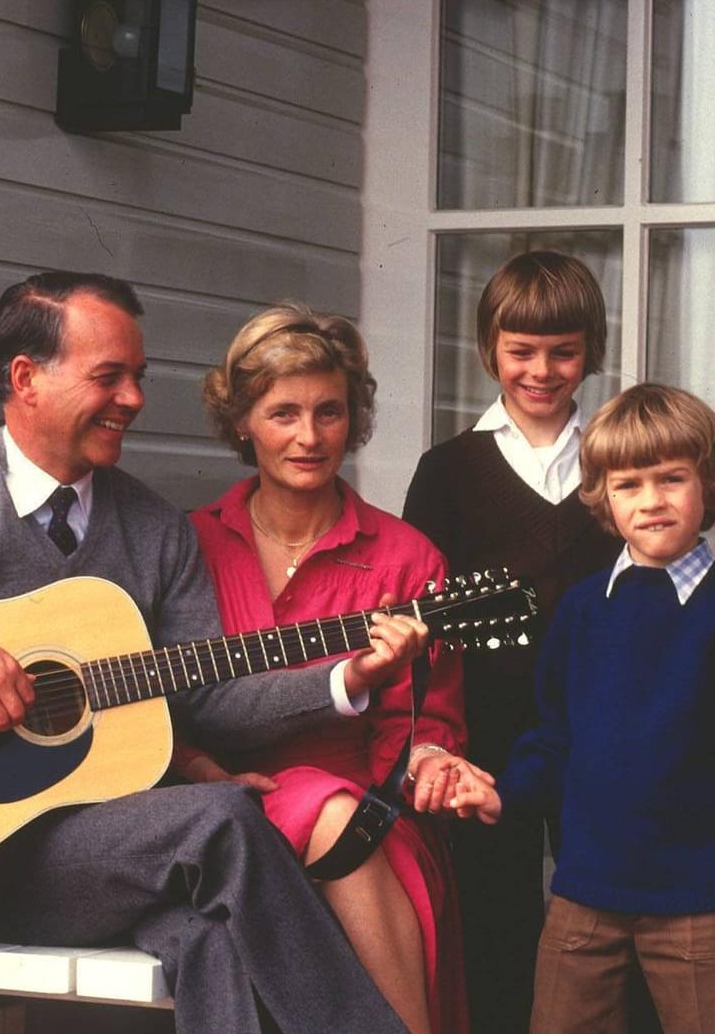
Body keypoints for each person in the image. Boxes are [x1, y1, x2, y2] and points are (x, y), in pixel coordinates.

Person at [0, 273, 419, 1034]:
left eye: (138, 377)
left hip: (118, 851)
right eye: (109, 377)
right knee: (221, 819)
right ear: (26, 378)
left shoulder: (155, 531)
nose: (133, 399)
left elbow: (206, 698)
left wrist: (344, 677)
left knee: (212, 941)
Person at [451, 383, 715, 1034]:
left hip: (700, 906)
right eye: (630, 484)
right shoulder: (583, 611)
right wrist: (504, 795)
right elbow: (553, 739)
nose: (652, 500)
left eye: (671, 479)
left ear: (708, 486)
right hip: (584, 899)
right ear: (603, 497)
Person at [184, 303, 479, 1034]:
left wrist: (435, 765)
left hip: (365, 808)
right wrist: (199, 770)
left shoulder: (406, 558)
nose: (309, 437)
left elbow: (426, 727)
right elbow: (160, 701)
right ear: (242, 420)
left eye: (330, 412)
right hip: (215, 802)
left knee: (333, 807)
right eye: (283, 413)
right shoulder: (188, 544)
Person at [401, 250, 622, 1033]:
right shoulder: (449, 470)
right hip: (488, 732)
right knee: (495, 924)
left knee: (608, 923)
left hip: (605, 735)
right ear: (490, 350)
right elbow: (421, 615)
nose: (542, 370)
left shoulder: (615, 463)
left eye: (562, 351)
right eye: (521, 351)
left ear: (590, 350)